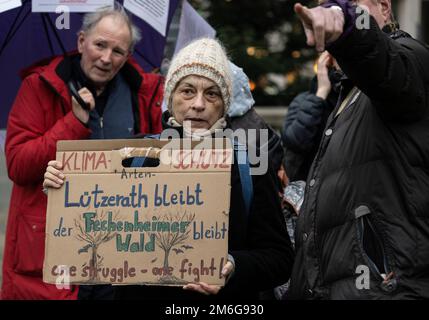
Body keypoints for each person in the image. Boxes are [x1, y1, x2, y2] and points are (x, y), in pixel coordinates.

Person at [43, 37, 294, 299]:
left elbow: (279, 258)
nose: (198, 104)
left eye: (212, 93)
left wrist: (233, 266)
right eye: (187, 91)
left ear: (225, 104)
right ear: (171, 97)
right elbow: (89, 231)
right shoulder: (134, 156)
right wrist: (62, 186)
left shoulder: (248, 166)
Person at [2, 4, 164, 300]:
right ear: (81, 41)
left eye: (117, 51)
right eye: (99, 45)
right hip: (53, 249)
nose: (106, 58)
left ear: (128, 56)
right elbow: (18, 164)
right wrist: (73, 122)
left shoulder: (146, 93)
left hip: (121, 254)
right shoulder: (38, 87)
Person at [288, 0, 429, 299]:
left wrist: (347, 21)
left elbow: (380, 60)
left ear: (384, 7)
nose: (336, 8)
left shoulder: (412, 57)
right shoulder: (347, 95)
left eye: (352, 1)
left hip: (384, 287)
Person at [282, 51, 341, 182]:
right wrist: (321, 93)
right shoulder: (304, 100)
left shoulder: (359, 97)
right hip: (308, 184)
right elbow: (294, 141)